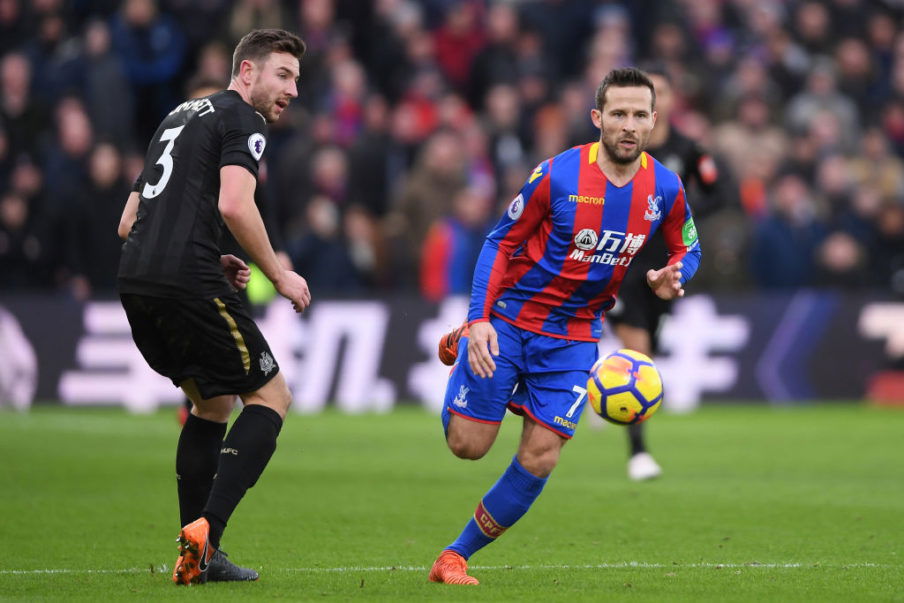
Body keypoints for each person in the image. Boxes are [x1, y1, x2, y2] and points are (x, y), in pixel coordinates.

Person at [428, 67, 701, 586]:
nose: (628, 124)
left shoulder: (665, 187)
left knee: (542, 455)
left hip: (575, 337)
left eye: (639, 115)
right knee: (468, 445)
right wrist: (478, 318)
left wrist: (675, 273)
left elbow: (690, 244)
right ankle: (464, 341)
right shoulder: (557, 174)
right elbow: (499, 242)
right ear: (598, 118)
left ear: (654, 120)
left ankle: (454, 557)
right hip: (510, 321)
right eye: (618, 113)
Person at [116, 29, 309, 586]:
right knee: (271, 396)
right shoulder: (241, 120)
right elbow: (234, 201)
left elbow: (129, 222)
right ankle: (209, 534)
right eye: (282, 74)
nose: (292, 89)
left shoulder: (178, 117)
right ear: (245, 72)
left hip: (138, 279)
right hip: (186, 282)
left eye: (296, 78)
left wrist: (209, 252)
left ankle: (193, 556)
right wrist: (279, 274)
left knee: (212, 403)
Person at [606, 66, 731, 481]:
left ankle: (599, 380)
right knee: (638, 354)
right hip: (623, 262)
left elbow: (718, 194)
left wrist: (681, 209)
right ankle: (638, 453)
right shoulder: (618, 150)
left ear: (664, 105)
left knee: (648, 350)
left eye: (658, 94)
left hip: (665, 266)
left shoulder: (688, 151)